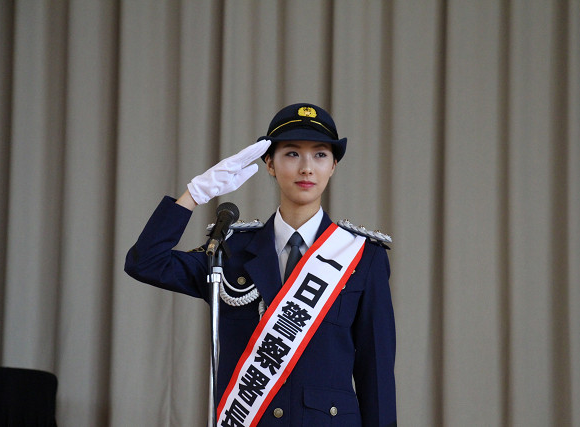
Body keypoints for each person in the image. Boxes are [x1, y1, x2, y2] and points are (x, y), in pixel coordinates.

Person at [125, 103, 397, 426]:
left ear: (334, 165)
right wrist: (193, 195)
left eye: (320, 155)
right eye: (292, 154)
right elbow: (146, 262)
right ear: (269, 163)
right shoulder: (229, 251)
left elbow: (376, 376)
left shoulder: (362, 256)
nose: (307, 168)